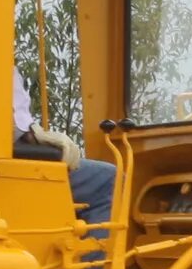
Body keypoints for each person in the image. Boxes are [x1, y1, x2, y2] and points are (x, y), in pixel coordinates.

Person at [13, 70, 116, 241]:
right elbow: (13, 123)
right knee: (109, 178)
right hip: (11, 165)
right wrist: (34, 134)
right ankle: (92, 267)